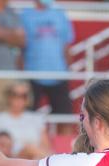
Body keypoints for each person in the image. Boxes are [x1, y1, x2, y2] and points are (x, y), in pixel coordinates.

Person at [21, 0, 75, 134]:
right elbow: (20, 48)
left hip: (58, 74)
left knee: (64, 119)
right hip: (32, 75)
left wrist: (67, 71)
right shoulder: (25, 15)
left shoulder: (60, 14)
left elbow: (66, 46)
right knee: (28, 118)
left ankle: (65, 152)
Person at [0, 80, 50, 159]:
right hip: (11, 160)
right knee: (30, 149)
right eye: (15, 95)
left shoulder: (37, 118)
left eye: (23, 95)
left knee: (32, 150)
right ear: (9, 96)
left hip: (35, 158)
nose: (19, 99)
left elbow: (45, 146)